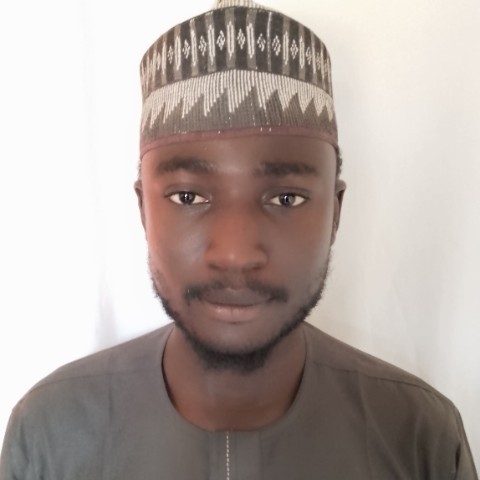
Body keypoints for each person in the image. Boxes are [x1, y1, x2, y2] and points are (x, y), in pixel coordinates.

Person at [0, 0, 477, 478]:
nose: (235, 254)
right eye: (188, 196)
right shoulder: (50, 435)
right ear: (143, 209)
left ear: (335, 212)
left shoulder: (420, 438)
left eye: (286, 198)